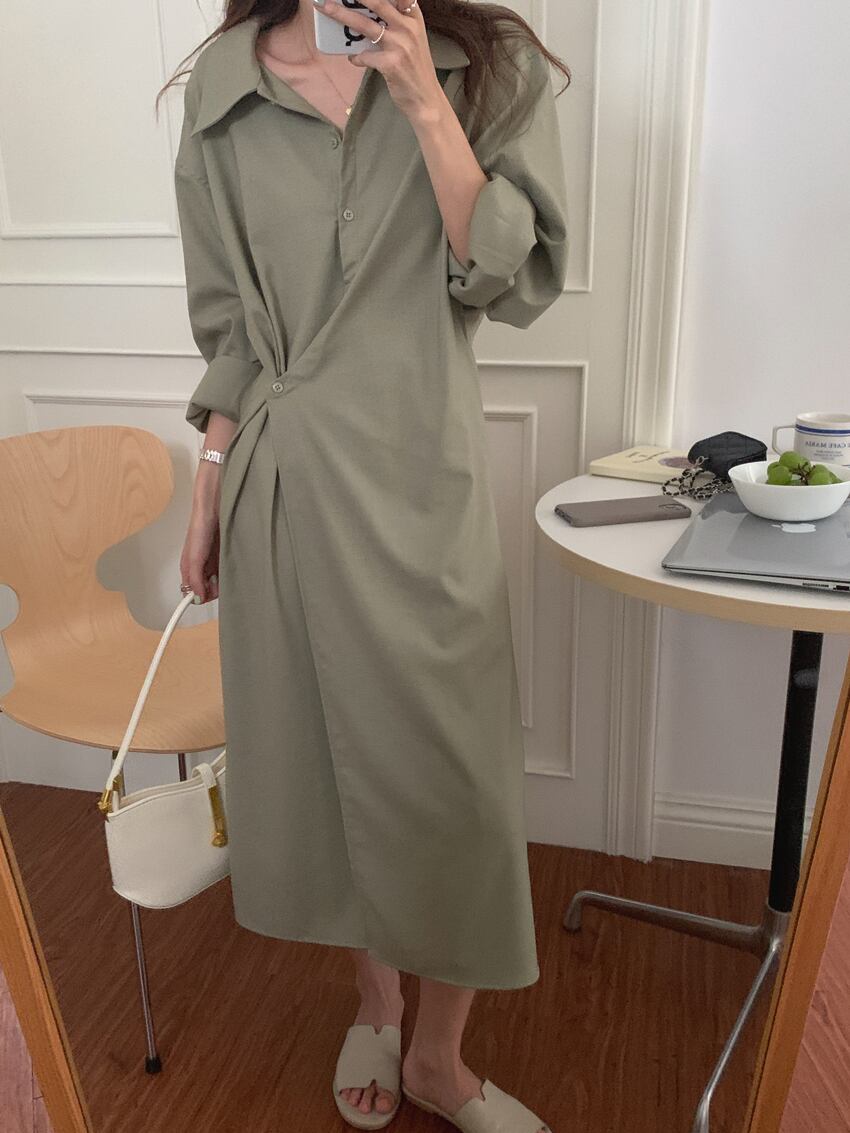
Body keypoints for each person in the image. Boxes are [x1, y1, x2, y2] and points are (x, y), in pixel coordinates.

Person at [163, 0, 569, 1128]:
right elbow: (232, 329)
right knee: (329, 763)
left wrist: (424, 101)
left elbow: (509, 278)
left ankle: (439, 1054)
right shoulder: (225, 89)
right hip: (284, 484)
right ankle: (377, 1006)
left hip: (422, 477)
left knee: (455, 781)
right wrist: (207, 484)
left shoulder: (490, 67)